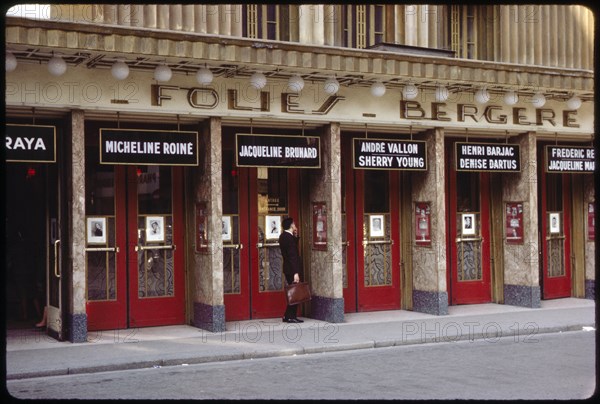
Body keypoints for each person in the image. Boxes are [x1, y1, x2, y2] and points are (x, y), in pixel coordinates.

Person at [278, 217, 304, 323]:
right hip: (292, 269)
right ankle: (290, 316)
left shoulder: (284, 236)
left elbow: (292, 248)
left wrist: (296, 235)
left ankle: (287, 316)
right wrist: (296, 273)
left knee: (293, 292)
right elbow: (292, 255)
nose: (295, 225)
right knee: (295, 293)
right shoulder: (288, 238)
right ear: (290, 225)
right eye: (293, 224)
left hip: (288, 268)